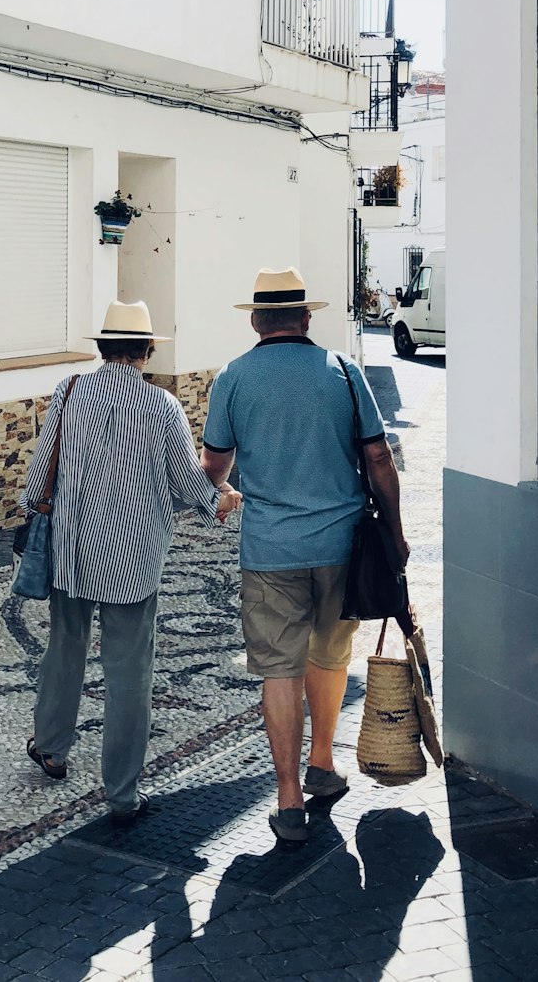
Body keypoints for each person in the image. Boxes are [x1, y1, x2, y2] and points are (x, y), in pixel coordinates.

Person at [200, 267, 409, 844]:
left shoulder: (233, 378)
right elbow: (379, 460)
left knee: (278, 668)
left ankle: (288, 796)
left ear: (255, 320)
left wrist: (215, 489)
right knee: (331, 654)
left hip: (269, 548)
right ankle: (323, 763)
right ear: (306, 317)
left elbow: (215, 467)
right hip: (341, 544)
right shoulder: (342, 371)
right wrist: (394, 532)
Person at [22, 299, 241, 825]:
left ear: (101, 349)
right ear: (145, 350)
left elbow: (35, 486)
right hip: (133, 562)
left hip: (70, 556)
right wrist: (222, 501)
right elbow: (192, 486)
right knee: (129, 676)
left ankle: (51, 748)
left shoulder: (69, 392)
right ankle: (121, 793)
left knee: (64, 650)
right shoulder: (161, 407)